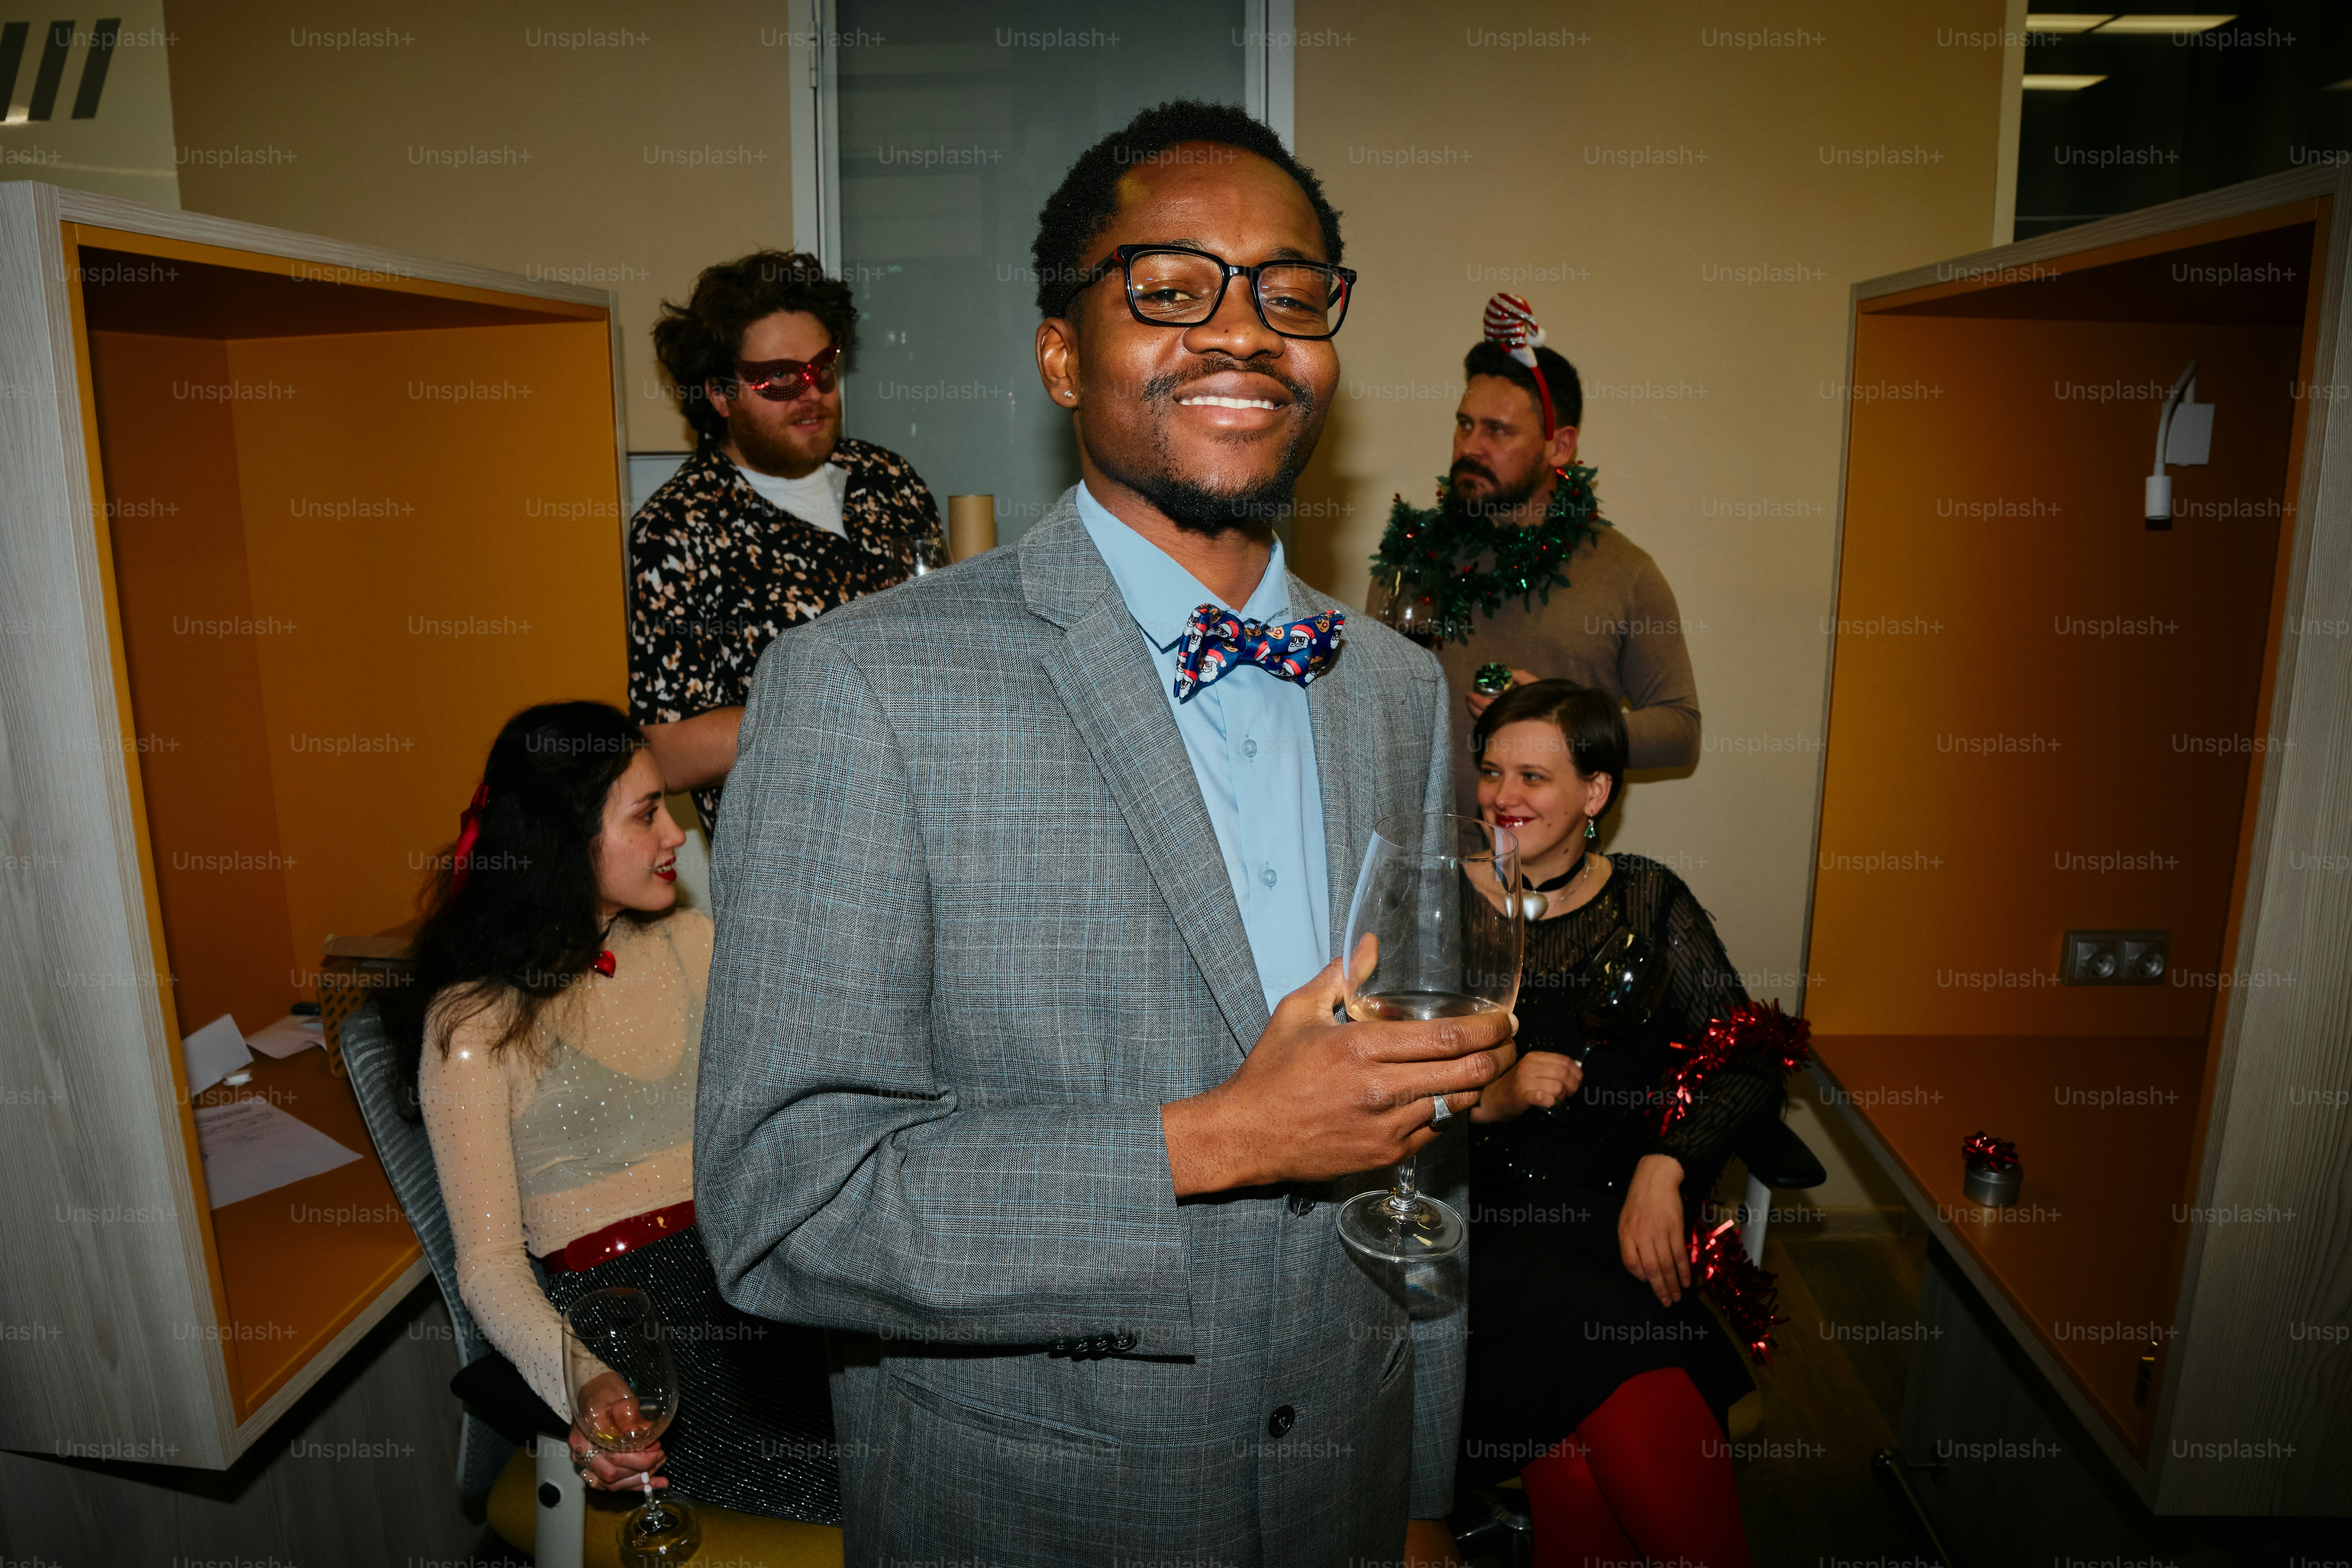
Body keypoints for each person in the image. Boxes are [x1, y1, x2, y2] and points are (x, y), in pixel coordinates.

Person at [694, 101, 1517, 1568]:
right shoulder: (861, 686)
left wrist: (1422, 1490)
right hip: (1033, 1509)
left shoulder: (1396, 689)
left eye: (1289, 288)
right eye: (1168, 285)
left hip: (1345, 1472)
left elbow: (1417, 1151)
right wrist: (1218, 1141)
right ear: (1063, 352)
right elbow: (782, 1209)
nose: (1241, 329)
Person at [390, 700, 838, 1523]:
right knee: (837, 1499)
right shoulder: (476, 1026)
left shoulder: (693, 944)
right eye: (646, 814)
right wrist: (581, 1377)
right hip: (630, 1325)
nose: (675, 835)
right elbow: (488, 1265)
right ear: (566, 840)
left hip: (748, 1280)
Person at [1459, 679, 1776, 1567]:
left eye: (1533, 774)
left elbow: (1750, 1060)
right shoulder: (1448, 905)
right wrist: (1498, 1094)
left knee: (1578, 1427)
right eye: (1491, 771)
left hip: (1618, 1232)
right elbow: (1391, 1096)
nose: (1503, 795)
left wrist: (1667, 1165)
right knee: (1607, 1374)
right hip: (1481, 1231)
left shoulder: (1646, 902)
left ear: (1596, 793)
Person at [630, 250, 944, 830]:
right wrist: (848, 710)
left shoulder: (888, 481)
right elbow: (669, 753)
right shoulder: (679, 527)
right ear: (722, 395)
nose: (811, 393)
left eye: (822, 368)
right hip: (792, 869)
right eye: (778, 379)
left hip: (932, 838)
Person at [1397, 297, 1699, 808]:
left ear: (1560, 447)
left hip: (1550, 875)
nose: (1471, 447)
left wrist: (1566, 725)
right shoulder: (1410, 556)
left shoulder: (1625, 574)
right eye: (1465, 424)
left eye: (1498, 431)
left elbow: (1680, 730)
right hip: (1415, 863)